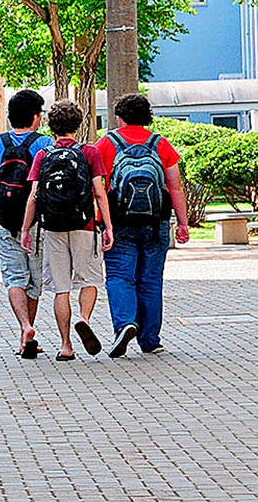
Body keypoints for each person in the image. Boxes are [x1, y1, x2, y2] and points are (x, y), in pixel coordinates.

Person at [94, 94, 190, 357]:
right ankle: (150, 339)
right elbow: (175, 187)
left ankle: (125, 324)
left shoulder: (107, 143)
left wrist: (100, 220)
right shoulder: (160, 144)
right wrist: (182, 223)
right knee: (150, 280)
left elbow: (97, 187)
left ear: (120, 117)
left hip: (119, 222)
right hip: (155, 222)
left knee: (119, 276)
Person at [20, 100, 114, 361]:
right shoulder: (89, 152)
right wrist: (107, 226)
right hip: (84, 225)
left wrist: (26, 229)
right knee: (90, 279)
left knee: (61, 288)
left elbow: (34, 196)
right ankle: (83, 318)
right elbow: (99, 192)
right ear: (79, 124)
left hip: (52, 227)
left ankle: (65, 346)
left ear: (52, 125)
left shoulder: (43, 155)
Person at [0, 89, 53, 358]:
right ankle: (29, 331)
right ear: (36, 116)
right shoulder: (43, 143)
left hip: (4, 219)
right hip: (35, 222)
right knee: (34, 280)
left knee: (14, 277)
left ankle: (24, 327)